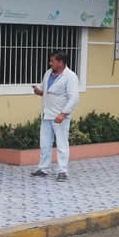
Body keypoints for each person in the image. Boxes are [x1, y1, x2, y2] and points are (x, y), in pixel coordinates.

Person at [31, 50, 80, 182]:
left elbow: (74, 98)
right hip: (47, 114)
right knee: (45, 144)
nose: (50, 63)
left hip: (60, 117)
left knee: (62, 144)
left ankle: (62, 171)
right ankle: (43, 168)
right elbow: (45, 90)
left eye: (52, 61)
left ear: (60, 62)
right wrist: (39, 91)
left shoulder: (70, 77)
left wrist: (63, 113)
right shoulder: (48, 73)